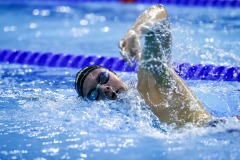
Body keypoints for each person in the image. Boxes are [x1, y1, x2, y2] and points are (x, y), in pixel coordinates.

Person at [75, 4, 212, 128]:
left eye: (103, 77)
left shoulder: (148, 82)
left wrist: (135, 32)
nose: (104, 88)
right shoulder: (130, 119)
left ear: (116, 74)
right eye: (93, 94)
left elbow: (161, 13)